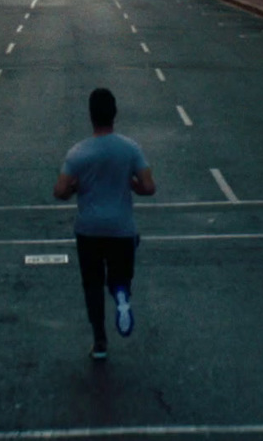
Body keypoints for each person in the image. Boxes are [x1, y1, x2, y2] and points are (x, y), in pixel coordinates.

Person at [53, 88, 156, 360]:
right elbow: (148, 187)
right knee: (120, 277)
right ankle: (122, 296)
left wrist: (77, 187)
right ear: (115, 114)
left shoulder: (78, 152)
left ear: (90, 116)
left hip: (88, 230)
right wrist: (129, 183)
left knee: (92, 284)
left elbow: (60, 191)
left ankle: (99, 341)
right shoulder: (130, 148)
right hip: (122, 229)